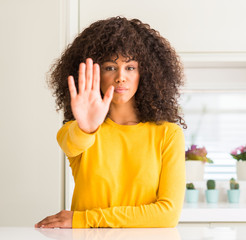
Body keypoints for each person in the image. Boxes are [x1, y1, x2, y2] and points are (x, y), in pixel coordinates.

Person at [35, 16, 186, 228]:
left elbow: (167, 215)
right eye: (110, 67)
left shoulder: (168, 134)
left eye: (130, 67)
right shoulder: (79, 131)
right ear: (94, 74)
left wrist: (85, 219)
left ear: (147, 73)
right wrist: (87, 128)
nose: (120, 77)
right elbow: (71, 143)